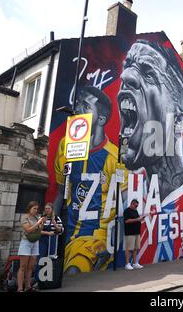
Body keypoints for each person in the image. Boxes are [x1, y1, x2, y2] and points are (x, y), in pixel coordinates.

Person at [118, 40, 183, 262]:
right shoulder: (127, 195)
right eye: (128, 65)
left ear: (177, 121)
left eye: (148, 74)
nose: (126, 76)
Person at [53, 87, 121, 275]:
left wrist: (113, 244)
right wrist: (51, 220)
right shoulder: (65, 145)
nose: (78, 109)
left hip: (94, 238)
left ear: (100, 119)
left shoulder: (114, 158)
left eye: (86, 106)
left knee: (73, 273)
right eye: (78, 103)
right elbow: (60, 191)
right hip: (65, 232)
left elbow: (125, 204)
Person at [18, 201, 45, 292]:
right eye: (34, 208)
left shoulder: (36, 217)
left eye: (37, 209)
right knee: (23, 266)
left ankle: (28, 287)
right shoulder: (24, 217)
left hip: (35, 242)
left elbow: (39, 230)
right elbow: (28, 230)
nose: (36, 210)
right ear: (29, 208)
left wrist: (42, 223)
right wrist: (38, 223)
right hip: (26, 242)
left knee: (31, 266)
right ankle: (20, 288)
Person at [124, 199, 149, 270]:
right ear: (132, 204)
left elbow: (137, 219)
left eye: (137, 206)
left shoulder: (135, 211)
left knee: (135, 248)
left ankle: (135, 263)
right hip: (130, 232)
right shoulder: (127, 211)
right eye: (135, 206)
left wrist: (141, 218)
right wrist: (137, 219)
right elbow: (127, 221)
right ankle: (127, 264)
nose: (136, 207)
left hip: (137, 232)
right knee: (128, 249)